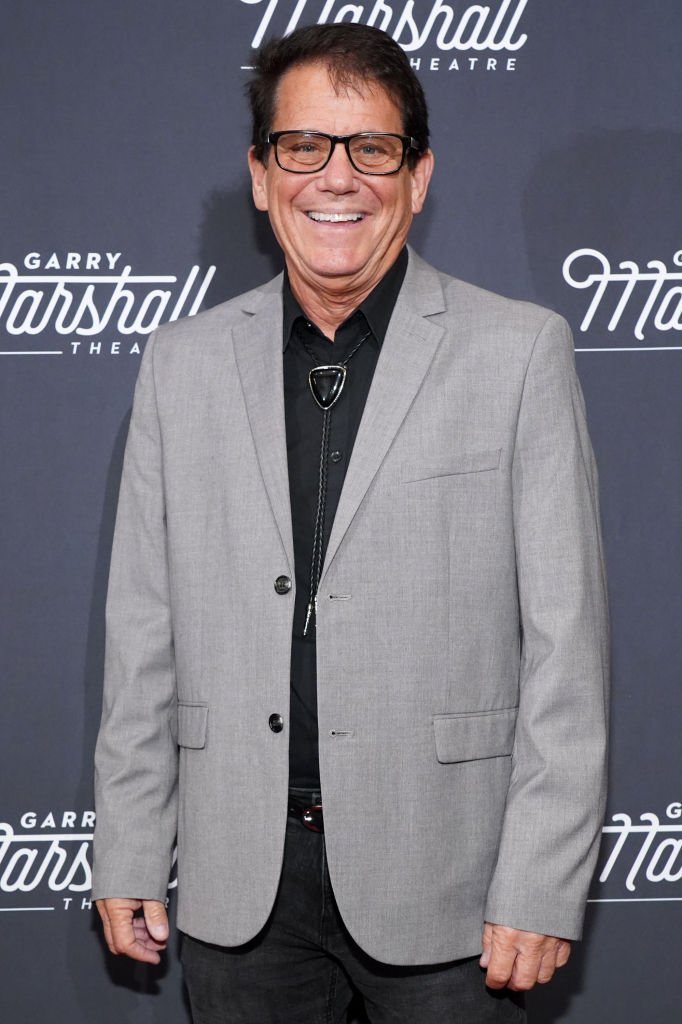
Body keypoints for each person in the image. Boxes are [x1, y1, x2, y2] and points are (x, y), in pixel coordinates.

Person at [93, 22, 609, 1024]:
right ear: (259, 174)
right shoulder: (179, 364)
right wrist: (126, 846)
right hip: (240, 889)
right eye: (303, 146)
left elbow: (566, 650)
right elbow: (141, 637)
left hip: (451, 886)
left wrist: (541, 879)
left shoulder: (518, 353)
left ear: (417, 177)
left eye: (371, 148)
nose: (337, 178)